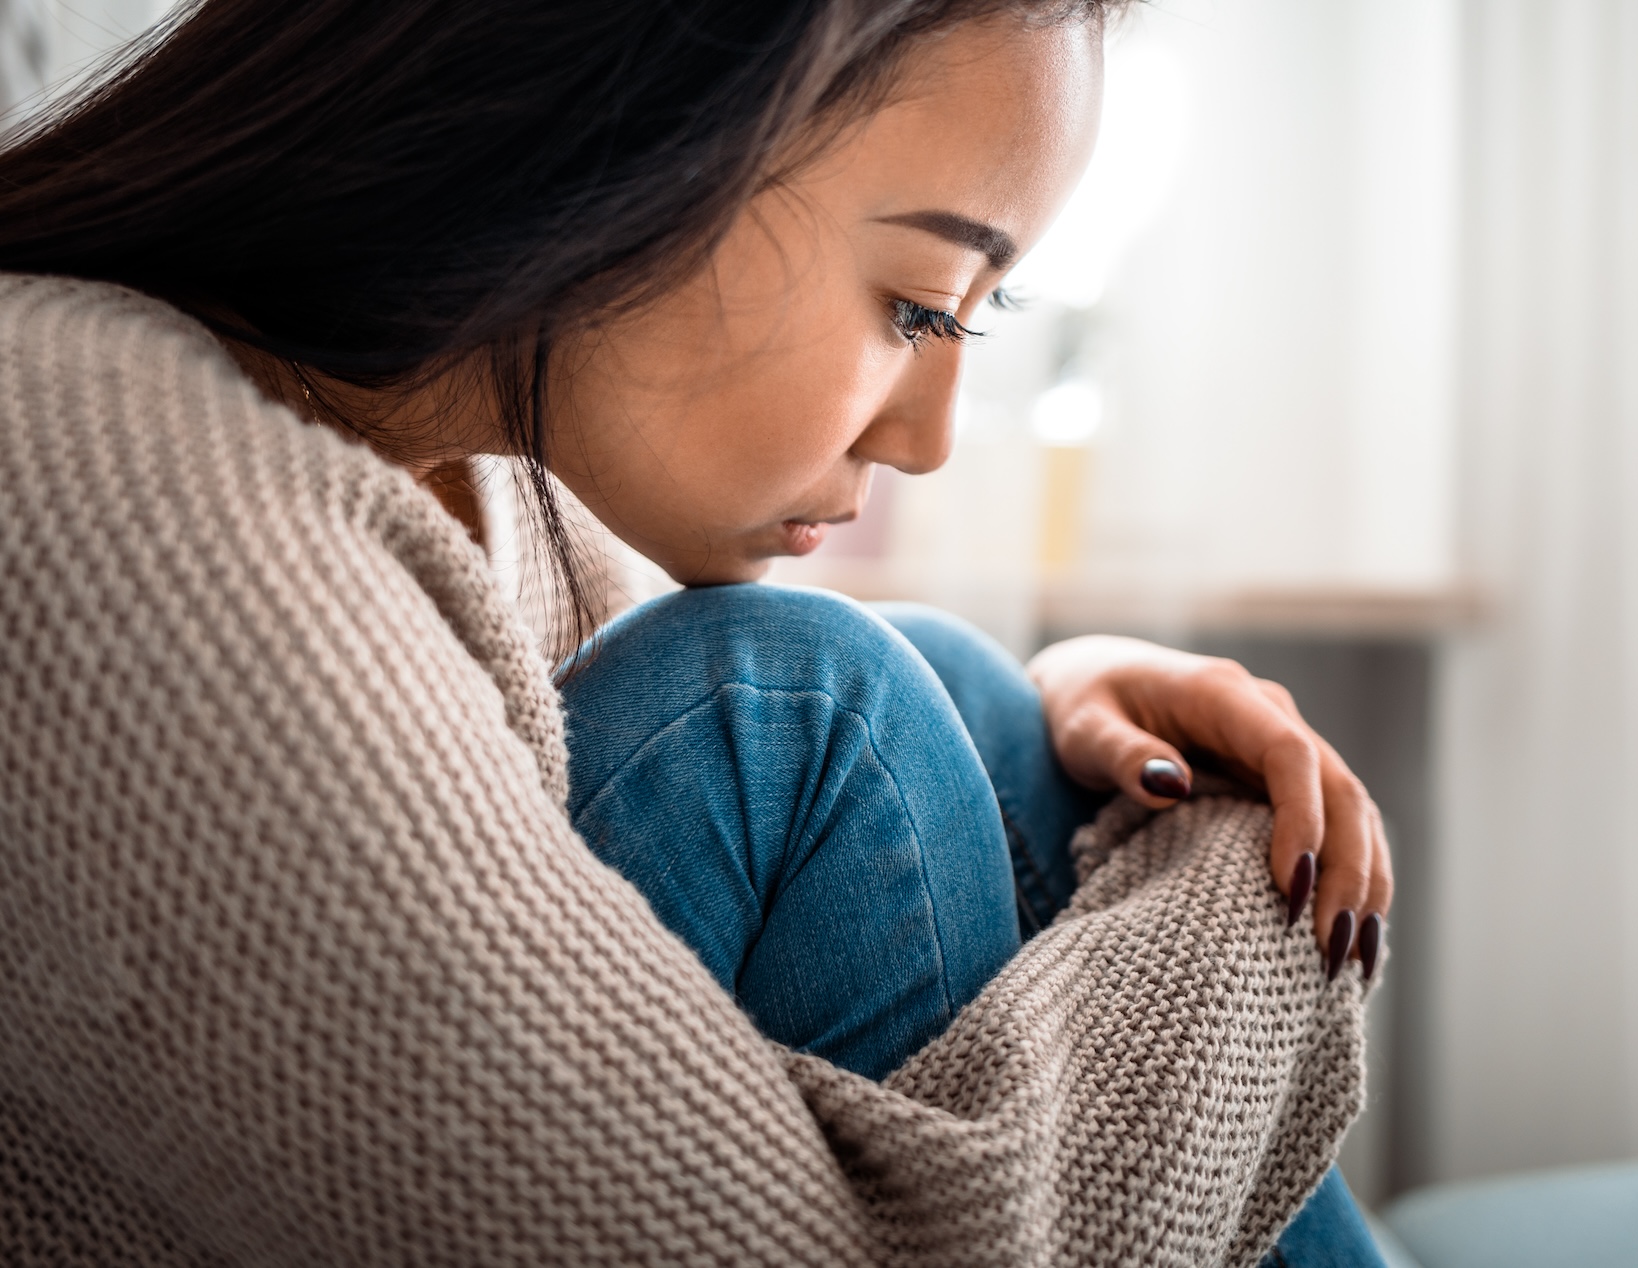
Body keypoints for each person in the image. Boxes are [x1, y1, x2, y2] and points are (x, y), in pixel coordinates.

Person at [0, 1, 1392, 1263]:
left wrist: (1063, 705)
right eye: (916, 308)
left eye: (979, 321)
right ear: (640, 128)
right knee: (803, 695)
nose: (931, 441)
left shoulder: (481, 463)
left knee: (939, 681)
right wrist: (1229, 869)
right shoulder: (106, 486)